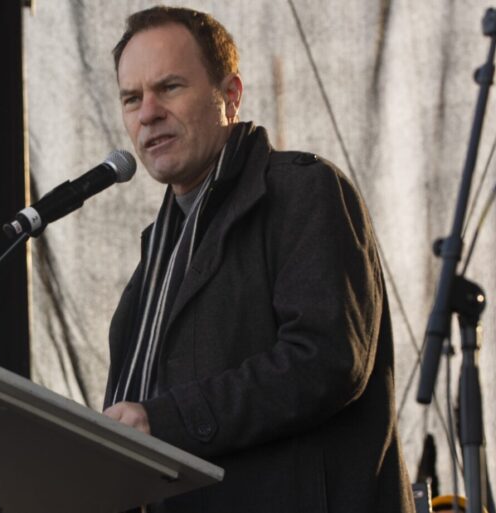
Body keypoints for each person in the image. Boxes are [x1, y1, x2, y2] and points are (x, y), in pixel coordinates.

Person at [102, 6, 414, 512]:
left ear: (230, 95)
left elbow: (327, 360)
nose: (148, 112)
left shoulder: (302, 191)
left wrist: (164, 421)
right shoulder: (155, 259)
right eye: (132, 98)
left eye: (170, 87)